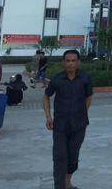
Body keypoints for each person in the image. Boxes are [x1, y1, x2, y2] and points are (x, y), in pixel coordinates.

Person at [43, 50, 93, 189]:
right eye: (68, 61)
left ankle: (67, 183)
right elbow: (46, 97)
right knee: (59, 158)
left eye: (73, 61)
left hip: (79, 125)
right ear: (63, 62)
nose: (71, 63)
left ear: (78, 62)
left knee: (73, 157)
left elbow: (89, 97)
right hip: (60, 126)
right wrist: (48, 116)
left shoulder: (85, 78)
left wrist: (82, 112)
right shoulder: (57, 79)